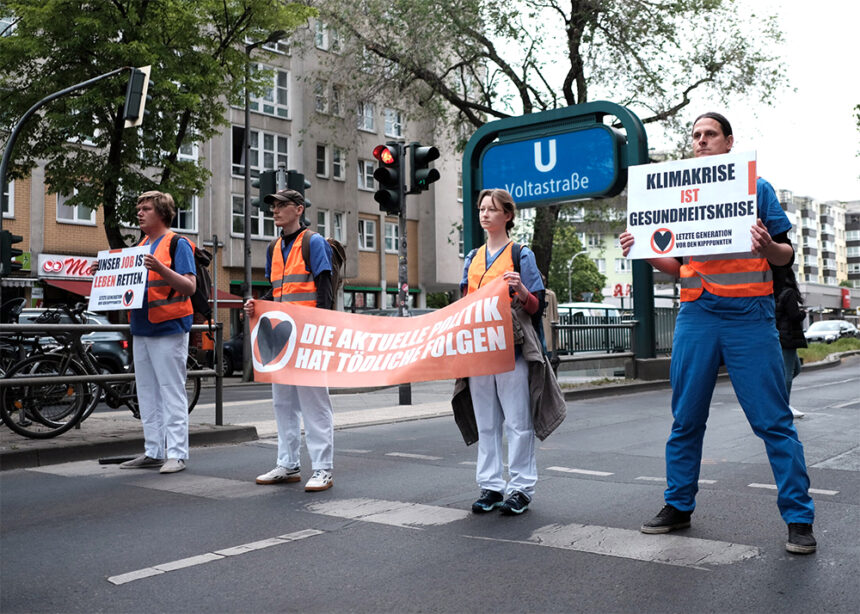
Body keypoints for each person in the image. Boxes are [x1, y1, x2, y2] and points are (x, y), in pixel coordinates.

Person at [619, 112, 816, 554]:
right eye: (696, 136)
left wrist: (768, 247)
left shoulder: (757, 188)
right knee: (686, 418)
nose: (701, 141)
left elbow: (785, 256)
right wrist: (645, 252)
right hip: (697, 315)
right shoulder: (677, 193)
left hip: (750, 318)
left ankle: (799, 519)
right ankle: (678, 506)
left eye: (710, 135)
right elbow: (679, 267)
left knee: (773, 421)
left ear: (729, 143)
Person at [458, 188, 546, 515]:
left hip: (512, 350)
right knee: (487, 423)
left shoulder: (520, 254)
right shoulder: (472, 258)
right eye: (482, 209)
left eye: (492, 210)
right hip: (480, 349)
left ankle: (521, 488)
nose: (484, 215)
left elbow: (536, 307)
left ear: (507, 215)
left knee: (518, 422)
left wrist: (521, 290)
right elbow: (464, 305)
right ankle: (491, 486)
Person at [244, 188, 335, 492]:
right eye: (273, 205)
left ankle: (323, 468)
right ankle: (288, 463)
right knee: (282, 402)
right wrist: (258, 304)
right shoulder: (273, 248)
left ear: (299, 209)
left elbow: (325, 288)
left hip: (307, 335)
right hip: (281, 337)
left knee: (314, 403)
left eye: (282, 205)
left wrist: (320, 328)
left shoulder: (313, 242)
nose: (275, 210)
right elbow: (277, 291)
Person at [121, 191, 196, 474]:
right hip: (142, 327)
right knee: (148, 392)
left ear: (162, 213)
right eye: (138, 208)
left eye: (146, 208)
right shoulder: (141, 244)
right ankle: (154, 450)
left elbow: (190, 287)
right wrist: (103, 272)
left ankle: (176, 453)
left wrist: (161, 268)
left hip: (168, 327)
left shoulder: (178, 244)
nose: (139, 213)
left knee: (170, 390)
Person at [772, 265, 807, 419]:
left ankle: (777, 398)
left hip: (779, 336)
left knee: (796, 369)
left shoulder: (774, 292)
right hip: (788, 337)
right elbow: (794, 316)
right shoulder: (789, 293)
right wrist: (803, 313)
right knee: (787, 373)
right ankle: (783, 407)